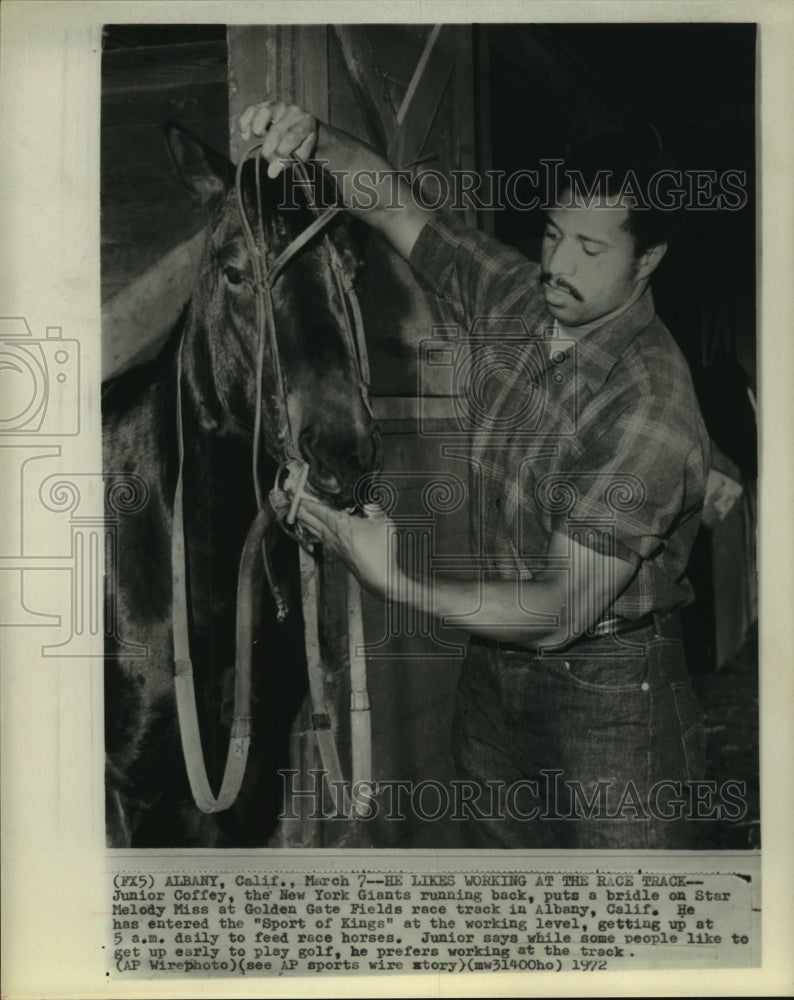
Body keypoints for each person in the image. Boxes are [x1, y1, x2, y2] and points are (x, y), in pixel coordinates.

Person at [239, 101, 711, 849]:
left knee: (629, 944)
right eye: (554, 235)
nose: (559, 265)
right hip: (493, 672)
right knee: (510, 909)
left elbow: (559, 613)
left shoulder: (650, 404)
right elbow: (391, 201)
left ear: (647, 260)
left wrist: (398, 579)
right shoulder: (522, 295)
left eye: (591, 248)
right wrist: (315, 138)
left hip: (615, 693)